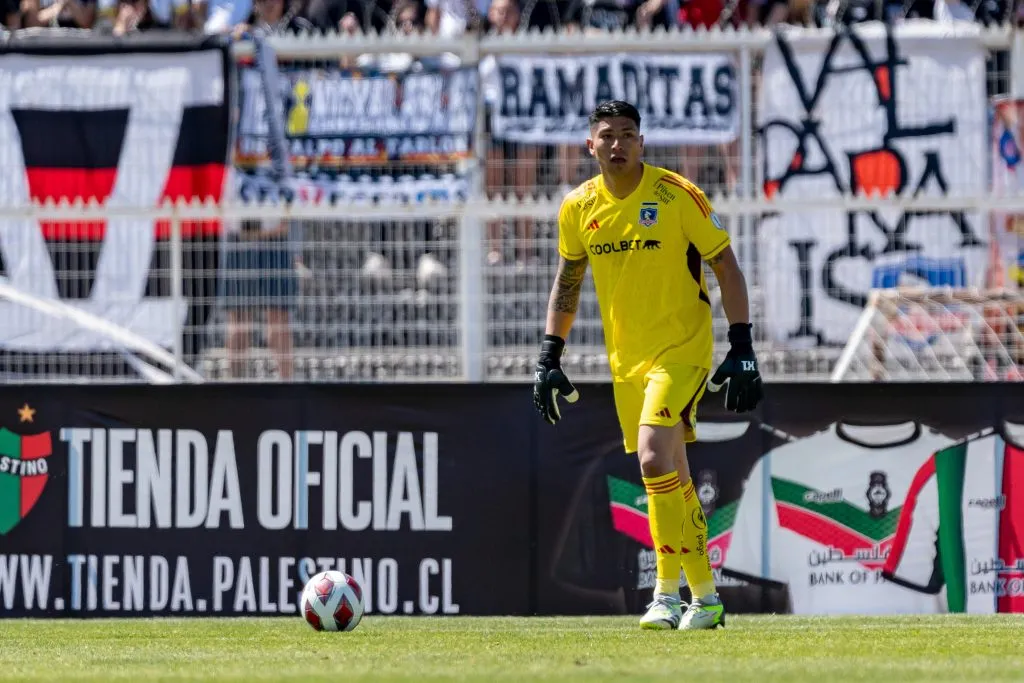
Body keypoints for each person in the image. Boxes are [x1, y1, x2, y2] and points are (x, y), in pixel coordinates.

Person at [532, 100, 763, 630]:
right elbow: (568, 283)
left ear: (643, 142)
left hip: (683, 349)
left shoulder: (677, 195)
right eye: (607, 135)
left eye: (628, 134)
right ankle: (704, 597)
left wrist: (742, 344)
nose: (618, 144)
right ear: (590, 146)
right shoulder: (577, 208)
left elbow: (724, 263)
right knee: (673, 474)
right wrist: (549, 354)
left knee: (655, 459)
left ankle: (664, 591)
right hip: (627, 362)